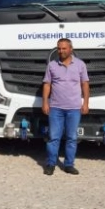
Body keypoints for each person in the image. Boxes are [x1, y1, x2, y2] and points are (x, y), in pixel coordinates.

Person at [42, 38, 89, 176]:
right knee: (53, 137)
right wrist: (45, 102)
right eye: (59, 48)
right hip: (55, 107)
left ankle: (69, 165)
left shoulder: (80, 65)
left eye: (64, 48)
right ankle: (51, 164)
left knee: (72, 138)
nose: (61, 51)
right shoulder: (52, 65)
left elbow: (85, 84)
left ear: (70, 49)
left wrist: (85, 102)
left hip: (74, 108)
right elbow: (47, 84)